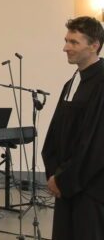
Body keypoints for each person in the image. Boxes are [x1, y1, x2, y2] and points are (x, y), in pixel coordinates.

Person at [42, 16, 104, 240]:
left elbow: (96, 143)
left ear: (94, 45)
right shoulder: (73, 81)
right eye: (66, 40)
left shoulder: (101, 82)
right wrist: (53, 173)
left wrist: (63, 179)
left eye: (74, 42)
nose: (65, 47)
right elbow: (56, 130)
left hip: (90, 188)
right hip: (66, 184)